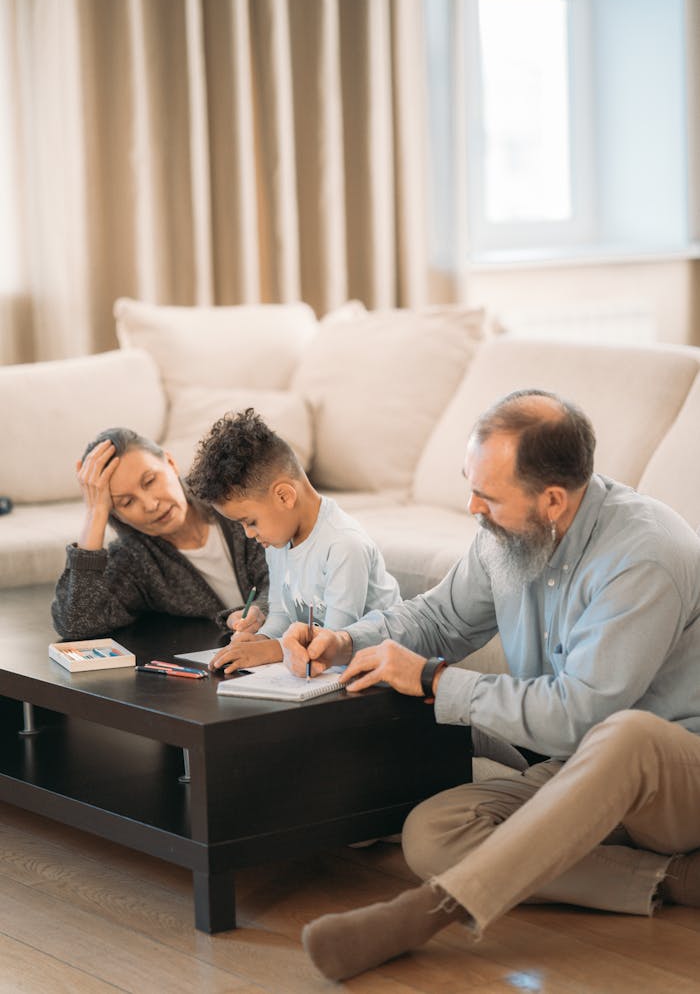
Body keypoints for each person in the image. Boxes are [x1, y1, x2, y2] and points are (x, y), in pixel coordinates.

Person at [280, 389, 700, 982]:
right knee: (430, 835)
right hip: (582, 771)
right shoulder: (509, 535)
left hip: (678, 778)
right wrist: (348, 640)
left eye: (489, 495)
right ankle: (676, 880)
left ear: (552, 499)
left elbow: (580, 715)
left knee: (627, 732)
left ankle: (423, 915)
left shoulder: (644, 556)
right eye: (470, 484)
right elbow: (440, 619)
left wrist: (433, 680)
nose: (472, 506)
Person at [185, 408, 401, 674]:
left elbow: (337, 641)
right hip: (334, 673)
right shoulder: (278, 542)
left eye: (250, 521)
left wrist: (270, 650)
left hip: (383, 675)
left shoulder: (344, 545)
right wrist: (259, 640)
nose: (249, 534)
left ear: (285, 496)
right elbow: (281, 615)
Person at [52, 427, 269, 640]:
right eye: (127, 502)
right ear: (117, 515)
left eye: (150, 481)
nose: (150, 504)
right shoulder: (134, 558)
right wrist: (95, 513)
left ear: (171, 463)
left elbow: (285, 576)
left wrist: (261, 610)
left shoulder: (230, 497)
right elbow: (77, 623)